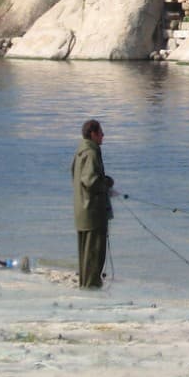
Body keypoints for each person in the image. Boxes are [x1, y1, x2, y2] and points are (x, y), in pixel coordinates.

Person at [70, 119, 116, 289]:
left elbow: (76, 178)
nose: (103, 136)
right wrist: (107, 183)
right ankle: (91, 289)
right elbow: (90, 181)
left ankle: (86, 286)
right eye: (101, 133)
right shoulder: (91, 152)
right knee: (95, 255)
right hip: (93, 212)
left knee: (86, 256)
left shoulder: (80, 151)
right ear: (93, 134)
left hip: (82, 211)